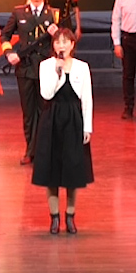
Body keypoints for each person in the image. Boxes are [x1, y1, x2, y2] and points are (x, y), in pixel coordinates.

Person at [32, 29, 94, 234]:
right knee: (51, 170)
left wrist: (87, 127)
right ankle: (54, 218)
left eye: (65, 42)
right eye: (58, 42)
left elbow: (87, 98)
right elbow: (46, 94)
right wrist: (57, 73)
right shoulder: (46, 66)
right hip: (52, 119)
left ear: (72, 44)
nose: (61, 46)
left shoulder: (82, 67)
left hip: (73, 119)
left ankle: (70, 216)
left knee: (72, 170)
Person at [2, 0, 59, 163]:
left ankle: (45, 151)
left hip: (46, 67)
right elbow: (4, 36)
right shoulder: (19, 13)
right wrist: (9, 52)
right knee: (28, 112)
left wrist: (57, 34)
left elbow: (67, 39)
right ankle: (30, 150)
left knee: (46, 110)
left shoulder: (54, 14)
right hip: (25, 68)